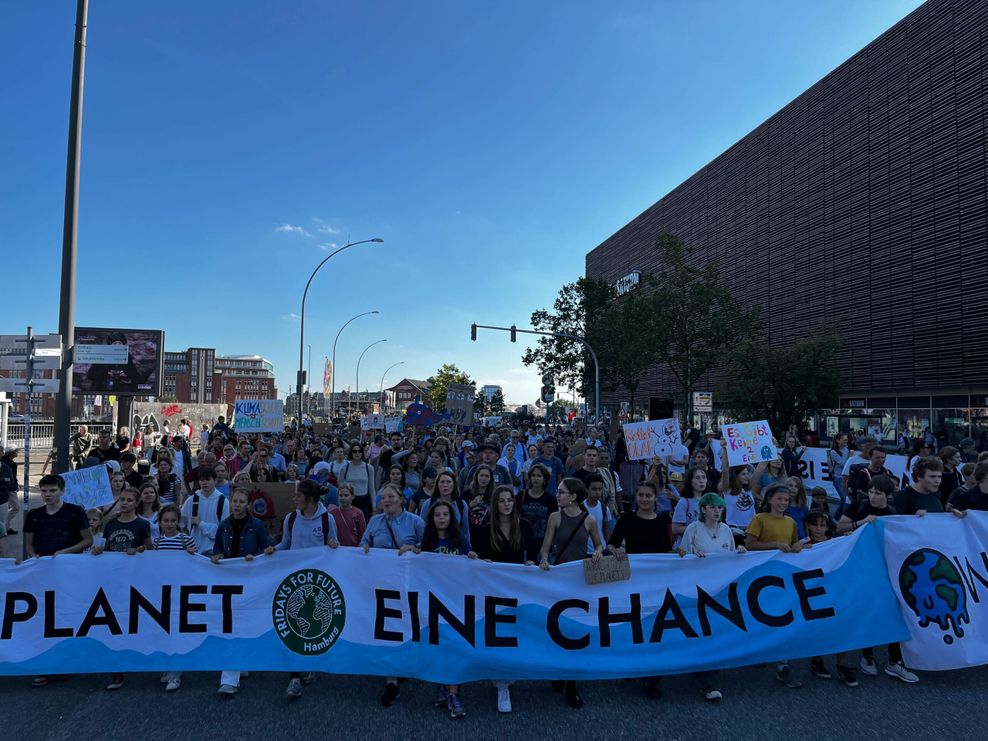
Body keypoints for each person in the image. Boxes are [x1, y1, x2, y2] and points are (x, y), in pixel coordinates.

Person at [537, 478, 603, 710]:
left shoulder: (590, 520)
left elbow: (598, 544)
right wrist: (544, 560)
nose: (558, 495)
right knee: (556, 625)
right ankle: (557, 669)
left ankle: (572, 684)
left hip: (580, 580)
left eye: (562, 492)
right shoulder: (555, 517)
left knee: (575, 629)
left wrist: (597, 552)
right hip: (559, 578)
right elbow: (546, 547)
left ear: (573, 496)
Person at [360, 484, 425, 707]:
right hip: (382, 583)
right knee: (387, 626)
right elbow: (364, 543)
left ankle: (405, 663)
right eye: (383, 497)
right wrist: (366, 547)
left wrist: (416, 549)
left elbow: (428, 549)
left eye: (391, 496)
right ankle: (391, 680)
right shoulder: (374, 521)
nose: (386, 500)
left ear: (401, 500)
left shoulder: (415, 522)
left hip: (409, 584)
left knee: (406, 625)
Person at [206, 486, 275, 696]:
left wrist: (259, 554)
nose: (237, 505)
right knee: (231, 625)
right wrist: (217, 555)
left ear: (248, 505)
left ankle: (238, 665)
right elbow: (218, 547)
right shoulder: (224, 525)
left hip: (250, 581)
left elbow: (265, 549)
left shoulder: (256, 526)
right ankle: (230, 676)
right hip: (228, 581)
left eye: (241, 502)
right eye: (234, 501)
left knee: (242, 624)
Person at [474, 485, 538, 713]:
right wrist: (480, 561)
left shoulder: (525, 527)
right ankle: (502, 685)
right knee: (497, 634)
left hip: (518, 589)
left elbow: (533, 554)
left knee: (515, 633)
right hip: (492, 590)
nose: (506, 504)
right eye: (501, 501)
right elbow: (479, 559)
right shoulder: (484, 530)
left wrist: (531, 563)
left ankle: (509, 674)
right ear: (495, 504)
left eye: (509, 500)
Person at [420, 500, 477, 718]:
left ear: (451, 518)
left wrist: (471, 556)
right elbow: (418, 564)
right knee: (438, 645)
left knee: (455, 645)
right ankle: (442, 687)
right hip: (433, 600)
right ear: (432, 519)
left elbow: (469, 562)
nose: (442, 518)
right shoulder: (428, 540)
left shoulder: (459, 539)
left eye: (445, 514)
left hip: (456, 600)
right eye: (437, 515)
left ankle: (454, 692)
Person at [745, 482, 802, 689]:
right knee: (760, 615)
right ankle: (758, 651)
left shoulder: (791, 522)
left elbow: (794, 544)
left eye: (786, 500)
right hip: (761, 576)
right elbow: (750, 544)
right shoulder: (759, 519)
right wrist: (775, 545)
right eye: (779, 499)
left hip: (783, 577)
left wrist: (798, 547)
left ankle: (783, 665)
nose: (782, 503)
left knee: (784, 617)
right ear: (769, 499)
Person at [179, 467, 230, 554]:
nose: (204, 482)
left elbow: (225, 531)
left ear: (214, 480)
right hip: (194, 552)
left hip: (214, 552)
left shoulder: (223, 501)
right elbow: (181, 524)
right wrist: (188, 542)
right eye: (201, 480)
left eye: (208, 479)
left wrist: (201, 524)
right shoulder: (191, 500)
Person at [516, 463, 557, 544]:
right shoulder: (521, 495)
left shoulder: (551, 499)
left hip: (542, 542)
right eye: (533, 475)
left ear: (544, 479)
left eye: (539, 476)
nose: (536, 478)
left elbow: (553, 524)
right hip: (522, 541)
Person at [672, 467, 710, 545]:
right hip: (686, 547)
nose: (701, 481)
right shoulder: (684, 502)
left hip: (705, 546)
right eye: (697, 478)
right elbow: (675, 529)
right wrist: (699, 528)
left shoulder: (710, 501)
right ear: (690, 481)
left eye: (704, 477)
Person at [338, 442, 376, 519]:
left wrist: (374, 507)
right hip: (349, 502)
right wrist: (340, 505)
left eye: (359, 451)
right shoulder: (344, 468)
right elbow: (340, 489)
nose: (357, 453)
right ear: (351, 453)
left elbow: (372, 489)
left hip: (364, 502)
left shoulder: (369, 468)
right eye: (354, 451)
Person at [827, 433, 851, 516]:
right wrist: (850, 457)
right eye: (844, 440)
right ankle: (845, 518)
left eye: (846, 440)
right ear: (838, 440)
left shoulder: (846, 449)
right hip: (838, 479)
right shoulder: (833, 452)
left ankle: (836, 518)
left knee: (844, 499)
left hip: (846, 478)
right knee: (844, 498)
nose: (846, 441)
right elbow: (843, 464)